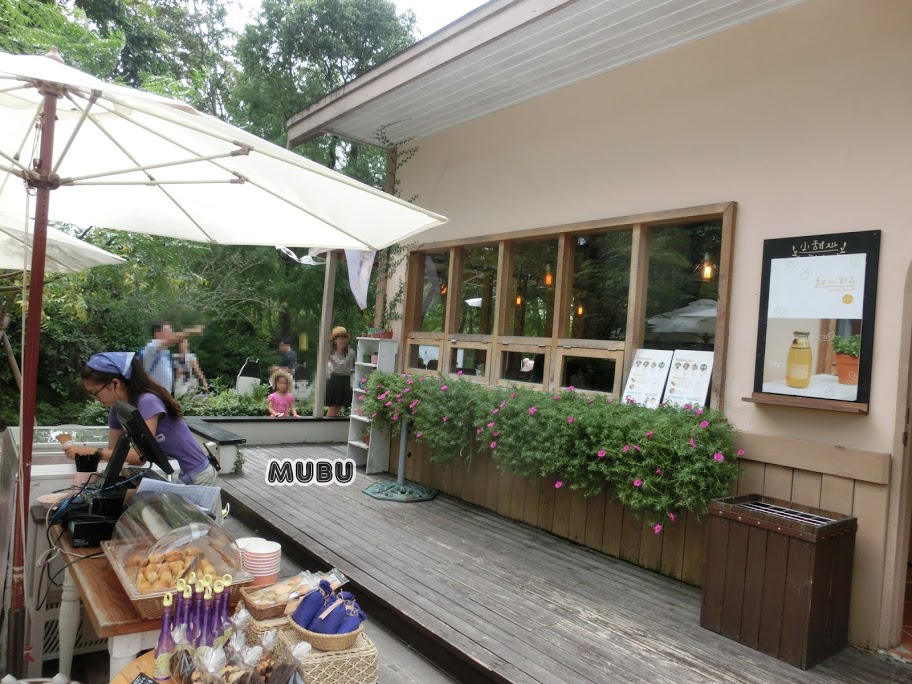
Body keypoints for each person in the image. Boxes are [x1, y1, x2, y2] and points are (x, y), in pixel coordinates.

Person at [66, 352, 220, 492]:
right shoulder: (117, 409)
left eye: (96, 393)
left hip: (199, 475)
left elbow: (140, 457)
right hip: (180, 475)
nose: (97, 400)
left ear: (115, 383)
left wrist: (92, 452)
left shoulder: (148, 401)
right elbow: (115, 455)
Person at [141, 321, 204, 395]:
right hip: (154, 393)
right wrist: (191, 331)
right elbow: (172, 339)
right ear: (157, 333)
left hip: (165, 393)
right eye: (168, 330)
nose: (171, 333)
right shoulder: (151, 346)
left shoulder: (165, 352)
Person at [326, 326, 355, 417]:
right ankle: (327, 424)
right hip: (334, 380)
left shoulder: (350, 352)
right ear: (335, 340)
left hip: (344, 379)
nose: (342, 340)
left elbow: (343, 366)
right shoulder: (331, 351)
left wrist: (332, 360)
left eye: (344, 338)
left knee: (338, 407)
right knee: (334, 407)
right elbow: (329, 368)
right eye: (339, 338)